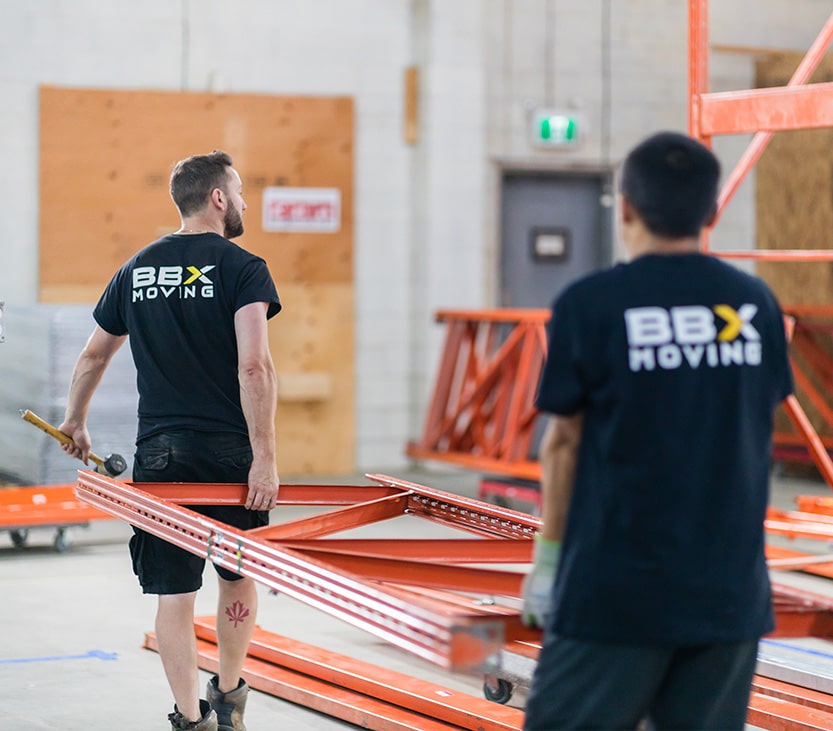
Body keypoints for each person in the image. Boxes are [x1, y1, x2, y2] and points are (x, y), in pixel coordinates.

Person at [521, 131, 793, 730]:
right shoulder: (755, 305)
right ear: (713, 210)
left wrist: (547, 562)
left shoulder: (591, 304)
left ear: (625, 209)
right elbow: (752, 425)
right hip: (728, 597)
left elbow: (563, 444)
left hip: (613, 594)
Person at [59, 150, 281, 731]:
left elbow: (92, 354)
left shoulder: (137, 268)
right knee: (236, 573)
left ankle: (191, 718)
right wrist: (265, 458)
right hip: (230, 454)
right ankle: (230, 693)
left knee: (175, 593)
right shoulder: (243, 268)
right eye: (239, 190)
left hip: (162, 455)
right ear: (217, 199)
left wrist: (74, 420)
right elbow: (254, 367)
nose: (244, 201)